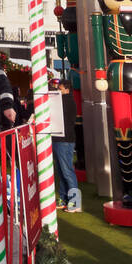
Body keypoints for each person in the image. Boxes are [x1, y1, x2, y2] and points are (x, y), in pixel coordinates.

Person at [50, 78, 80, 212]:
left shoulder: (65, 101)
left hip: (64, 140)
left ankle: (75, 203)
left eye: (59, 89)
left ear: (66, 89)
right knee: (62, 171)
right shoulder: (65, 101)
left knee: (67, 171)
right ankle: (64, 199)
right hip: (60, 139)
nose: (58, 91)